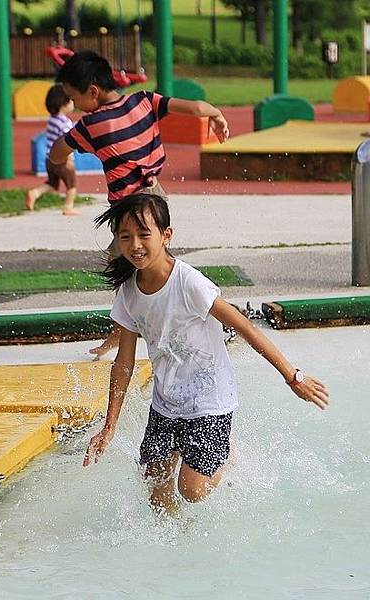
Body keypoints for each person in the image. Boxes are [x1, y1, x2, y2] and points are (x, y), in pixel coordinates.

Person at [83, 193, 329, 514]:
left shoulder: (188, 283)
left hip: (209, 400)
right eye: (125, 236)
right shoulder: (129, 291)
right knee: (153, 484)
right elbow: (124, 363)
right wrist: (109, 425)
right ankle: (180, 543)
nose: (135, 245)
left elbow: (247, 329)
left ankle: (224, 455)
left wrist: (292, 375)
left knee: (192, 491)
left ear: (166, 235)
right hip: (166, 401)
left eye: (144, 235)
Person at [48, 50, 229, 358]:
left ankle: (133, 330)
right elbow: (198, 108)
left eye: (73, 98)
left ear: (92, 92)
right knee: (150, 263)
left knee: (127, 267)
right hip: (156, 196)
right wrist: (217, 116)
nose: (75, 105)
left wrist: (61, 158)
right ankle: (203, 319)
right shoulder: (143, 100)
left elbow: (56, 153)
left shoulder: (91, 125)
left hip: (130, 209)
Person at [25, 84, 80, 216]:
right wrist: (70, 159)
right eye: (71, 100)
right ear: (64, 103)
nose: (73, 103)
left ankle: (35, 193)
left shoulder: (52, 120)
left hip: (50, 159)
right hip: (63, 160)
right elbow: (67, 142)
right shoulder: (65, 123)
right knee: (72, 185)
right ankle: (68, 206)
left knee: (52, 184)